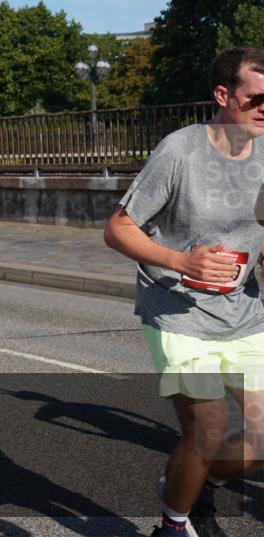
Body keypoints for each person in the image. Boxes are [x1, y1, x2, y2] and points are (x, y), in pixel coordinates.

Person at [104, 47, 264, 537]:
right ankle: (172, 526)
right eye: (257, 98)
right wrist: (180, 261)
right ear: (223, 95)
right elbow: (117, 229)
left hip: (243, 311)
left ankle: (197, 486)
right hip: (178, 311)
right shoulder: (180, 151)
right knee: (208, 426)